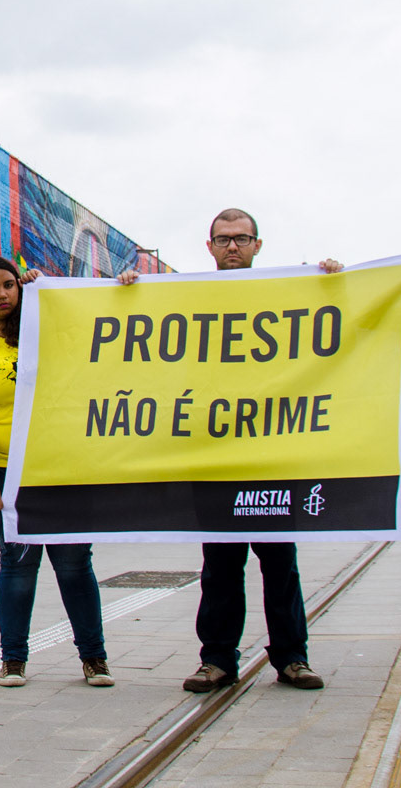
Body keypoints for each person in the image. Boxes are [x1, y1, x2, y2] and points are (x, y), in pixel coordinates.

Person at [121, 208, 334, 692]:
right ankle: (216, 658)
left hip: (271, 455)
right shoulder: (187, 297)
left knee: (280, 562)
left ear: (258, 245)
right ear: (209, 247)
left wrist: (336, 283)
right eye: (223, 240)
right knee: (220, 565)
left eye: (241, 239)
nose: (232, 247)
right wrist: (126, 291)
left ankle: (291, 657)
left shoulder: (288, 294)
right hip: (215, 457)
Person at [0, 255, 113, 688]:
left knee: (75, 565)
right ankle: (13, 660)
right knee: (18, 564)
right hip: (10, 473)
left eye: (9, 285)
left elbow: (95, 326)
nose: (2, 294)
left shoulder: (45, 327)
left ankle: (94, 659)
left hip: (61, 468)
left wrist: (50, 289)